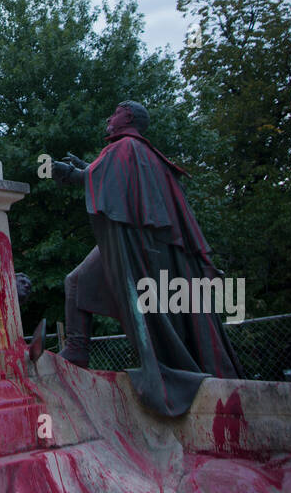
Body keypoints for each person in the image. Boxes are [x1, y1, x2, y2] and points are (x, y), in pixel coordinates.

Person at [40, 101, 244, 418]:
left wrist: (73, 174)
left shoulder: (126, 147)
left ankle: (79, 350)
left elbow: (105, 182)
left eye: (116, 111)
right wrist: (85, 172)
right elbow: (109, 181)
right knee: (78, 281)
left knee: (77, 281)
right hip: (147, 244)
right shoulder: (144, 153)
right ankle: (78, 349)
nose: (110, 116)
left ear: (129, 118)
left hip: (135, 245)